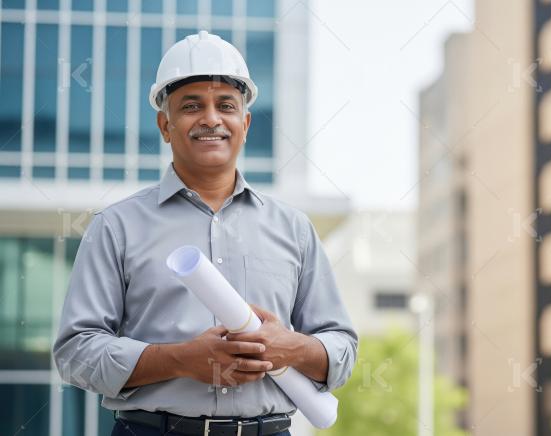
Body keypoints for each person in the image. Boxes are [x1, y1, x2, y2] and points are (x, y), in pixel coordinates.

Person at [53, 31, 357, 436]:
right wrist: (180, 359)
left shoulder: (294, 228)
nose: (211, 119)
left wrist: (290, 347)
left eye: (226, 106)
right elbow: (76, 352)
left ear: (244, 124)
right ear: (165, 125)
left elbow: (342, 348)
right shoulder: (115, 226)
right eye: (191, 106)